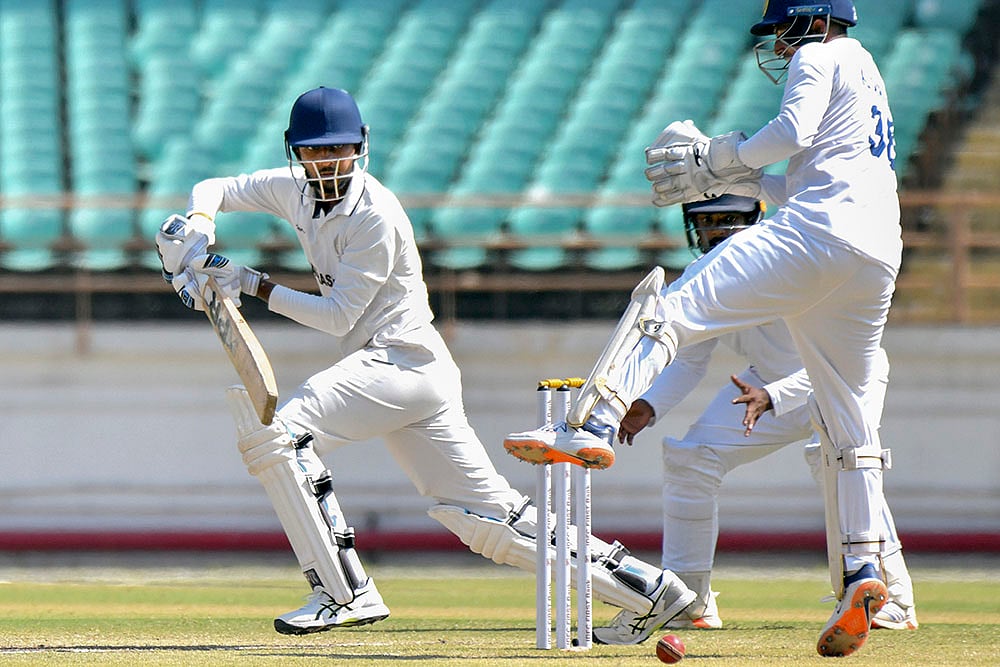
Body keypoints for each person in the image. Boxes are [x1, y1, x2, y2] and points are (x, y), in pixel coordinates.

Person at [154, 86, 698, 636]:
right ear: (297, 152)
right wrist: (201, 223)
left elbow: (339, 317)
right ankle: (652, 590)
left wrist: (250, 282)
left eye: (337, 149)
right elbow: (216, 187)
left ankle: (344, 594)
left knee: (282, 437)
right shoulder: (291, 190)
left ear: (359, 147)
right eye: (315, 151)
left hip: (398, 362)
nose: (326, 161)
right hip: (408, 374)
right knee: (489, 524)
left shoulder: (375, 215)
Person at [505, 0, 902, 656]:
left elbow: (790, 130)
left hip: (819, 231)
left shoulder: (816, 53)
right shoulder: (867, 68)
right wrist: (743, 172)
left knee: (669, 308)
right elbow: (806, 164)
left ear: (807, 21)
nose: (777, 41)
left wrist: (719, 156)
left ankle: (590, 424)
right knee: (849, 418)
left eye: (782, 27)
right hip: (876, 251)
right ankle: (862, 569)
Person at [609, 195, 917, 635]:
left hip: (842, 378)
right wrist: (647, 404)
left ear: (755, 220)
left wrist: (774, 394)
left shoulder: (793, 262)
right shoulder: (710, 276)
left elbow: (830, 360)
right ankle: (687, 599)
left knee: (835, 461)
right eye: (706, 222)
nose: (715, 231)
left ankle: (896, 600)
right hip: (761, 389)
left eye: (727, 220)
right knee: (692, 458)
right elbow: (689, 355)